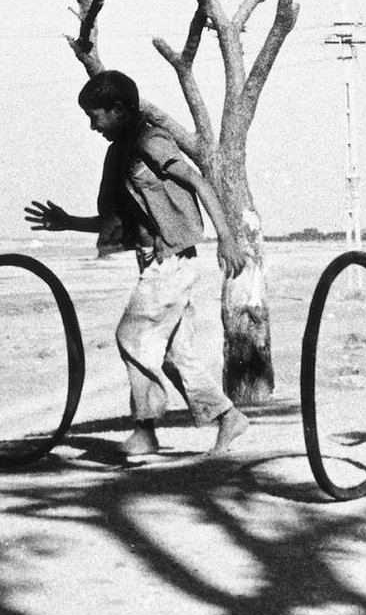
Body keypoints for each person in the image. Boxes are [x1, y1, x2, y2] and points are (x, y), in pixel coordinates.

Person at [23, 69, 253, 460]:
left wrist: (227, 237)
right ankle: (227, 417)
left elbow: (198, 181)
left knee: (130, 336)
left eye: (96, 116)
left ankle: (145, 427)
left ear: (117, 110)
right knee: (175, 355)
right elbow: (114, 221)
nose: (92, 126)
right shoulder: (121, 154)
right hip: (152, 263)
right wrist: (67, 223)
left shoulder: (151, 141)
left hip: (173, 261)